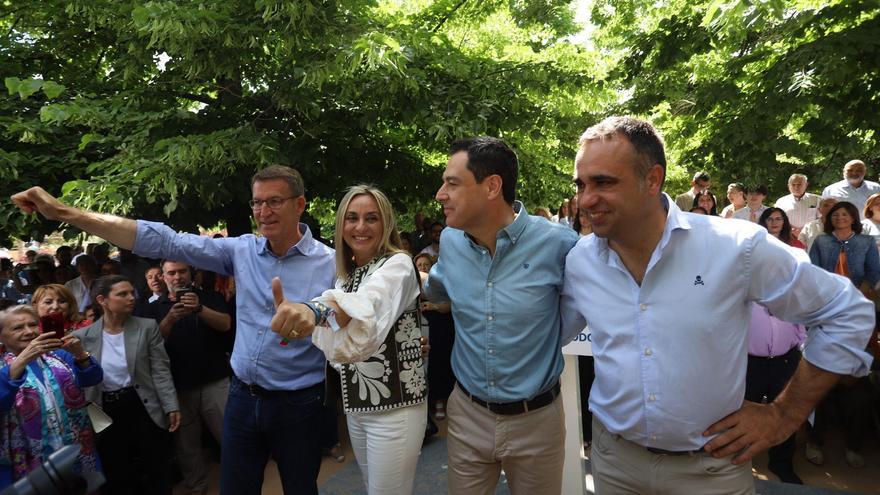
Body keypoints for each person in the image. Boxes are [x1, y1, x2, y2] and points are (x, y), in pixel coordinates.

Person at [561, 116, 874, 494]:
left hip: (711, 470)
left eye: (603, 182)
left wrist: (784, 414)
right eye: (581, 184)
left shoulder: (734, 246)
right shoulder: (581, 260)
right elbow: (544, 332)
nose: (586, 198)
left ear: (652, 179)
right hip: (614, 465)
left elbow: (846, 311)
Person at [12, 164, 336, 495]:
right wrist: (65, 212)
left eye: (274, 201)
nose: (262, 212)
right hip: (242, 397)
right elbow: (163, 240)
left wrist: (313, 314)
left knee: (300, 487)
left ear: (300, 204)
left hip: (299, 402)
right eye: (256, 202)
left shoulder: (330, 263)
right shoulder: (242, 250)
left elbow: (350, 325)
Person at [423, 137, 579, 494]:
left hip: (537, 421)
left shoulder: (559, 244)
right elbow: (433, 290)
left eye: (452, 183)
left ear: (492, 186)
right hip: (467, 414)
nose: (440, 194)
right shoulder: (450, 241)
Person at [267, 185, 427, 493]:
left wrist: (312, 311)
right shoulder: (346, 275)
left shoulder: (398, 264)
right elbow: (342, 343)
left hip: (396, 408)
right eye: (352, 218)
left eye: (371, 218)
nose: (360, 227)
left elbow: (364, 306)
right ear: (341, 225)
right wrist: (305, 325)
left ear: (386, 224)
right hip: (358, 407)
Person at [73, 275, 180, 495]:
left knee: (157, 466)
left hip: (142, 405)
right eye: (122, 294)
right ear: (102, 300)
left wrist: (171, 405)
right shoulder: (82, 337)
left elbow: (160, 369)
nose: (131, 298)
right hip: (106, 410)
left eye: (132, 293)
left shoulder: (146, 327)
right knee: (118, 471)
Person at [141, 260, 232, 495]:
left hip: (215, 380)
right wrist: (170, 319)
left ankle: (242, 479)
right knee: (186, 445)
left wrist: (200, 309)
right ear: (163, 276)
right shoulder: (151, 308)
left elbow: (226, 325)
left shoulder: (209, 297)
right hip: (177, 387)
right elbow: (149, 347)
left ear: (191, 273)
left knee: (230, 435)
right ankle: (197, 486)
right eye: (171, 273)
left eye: (182, 271)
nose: (177, 277)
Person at [806, 200, 879, 469]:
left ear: (853, 218)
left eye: (845, 214)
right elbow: (811, 271)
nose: (839, 218)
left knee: (860, 396)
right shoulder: (822, 242)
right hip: (826, 305)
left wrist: (857, 294)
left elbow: (873, 272)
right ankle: (814, 442)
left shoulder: (866, 242)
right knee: (817, 389)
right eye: (835, 215)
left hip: (857, 304)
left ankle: (854, 446)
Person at [0, 305, 103, 491]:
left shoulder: (59, 356)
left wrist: (80, 354)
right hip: (27, 457)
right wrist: (22, 360)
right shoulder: (2, 366)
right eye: (18, 328)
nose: (29, 331)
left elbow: (93, 378)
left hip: (73, 447)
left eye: (33, 325)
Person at [744, 303, 805, 484]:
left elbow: (799, 326)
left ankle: (781, 463)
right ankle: (740, 462)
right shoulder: (744, 292)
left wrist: (803, 347)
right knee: (744, 410)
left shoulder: (786, 293)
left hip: (785, 360)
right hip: (749, 362)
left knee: (786, 413)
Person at [414, 253, 454, 422]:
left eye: (426, 265)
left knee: (438, 365)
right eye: (419, 265)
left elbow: (451, 305)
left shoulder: (441, 286)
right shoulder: (410, 288)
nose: (423, 268)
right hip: (419, 331)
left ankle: (439, 401)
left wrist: (434, 306)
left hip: (440, 329)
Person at [774, 174, 820, 238]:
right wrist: (791, 229)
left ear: (806, 185)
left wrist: (804, 230)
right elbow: (777, 219)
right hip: (788, 236)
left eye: (799, 184)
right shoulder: (781, 202)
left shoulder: (817, 199)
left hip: (811, 236)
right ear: (788, 186)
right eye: (793, 185)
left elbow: (821, 219)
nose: (796, 187)